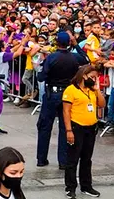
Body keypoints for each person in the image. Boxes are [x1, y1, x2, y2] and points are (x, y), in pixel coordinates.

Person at [36, 31, 88, 169]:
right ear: (69, 43)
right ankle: (63, 161)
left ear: (57, 42)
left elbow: (41, 77)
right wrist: (76, 45)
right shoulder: (74, 57)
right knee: (65, 127)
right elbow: (86, 59)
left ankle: (41, 158)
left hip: (52, 94)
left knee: (45, 126)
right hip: (67, 94)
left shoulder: (51, 57)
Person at [61, 65, 103, 199]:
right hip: (76, 127)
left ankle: (86, 186)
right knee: (73, 158)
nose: (94, 79)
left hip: (91, 127)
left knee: (87, 158)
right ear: (84, 76)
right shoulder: (71, 90)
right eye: (92, 77)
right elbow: (66, 111)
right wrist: (69, 130)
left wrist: (97, 89)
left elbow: (102, 104)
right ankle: (70, 187)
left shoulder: (92, 90)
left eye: (95, 77)